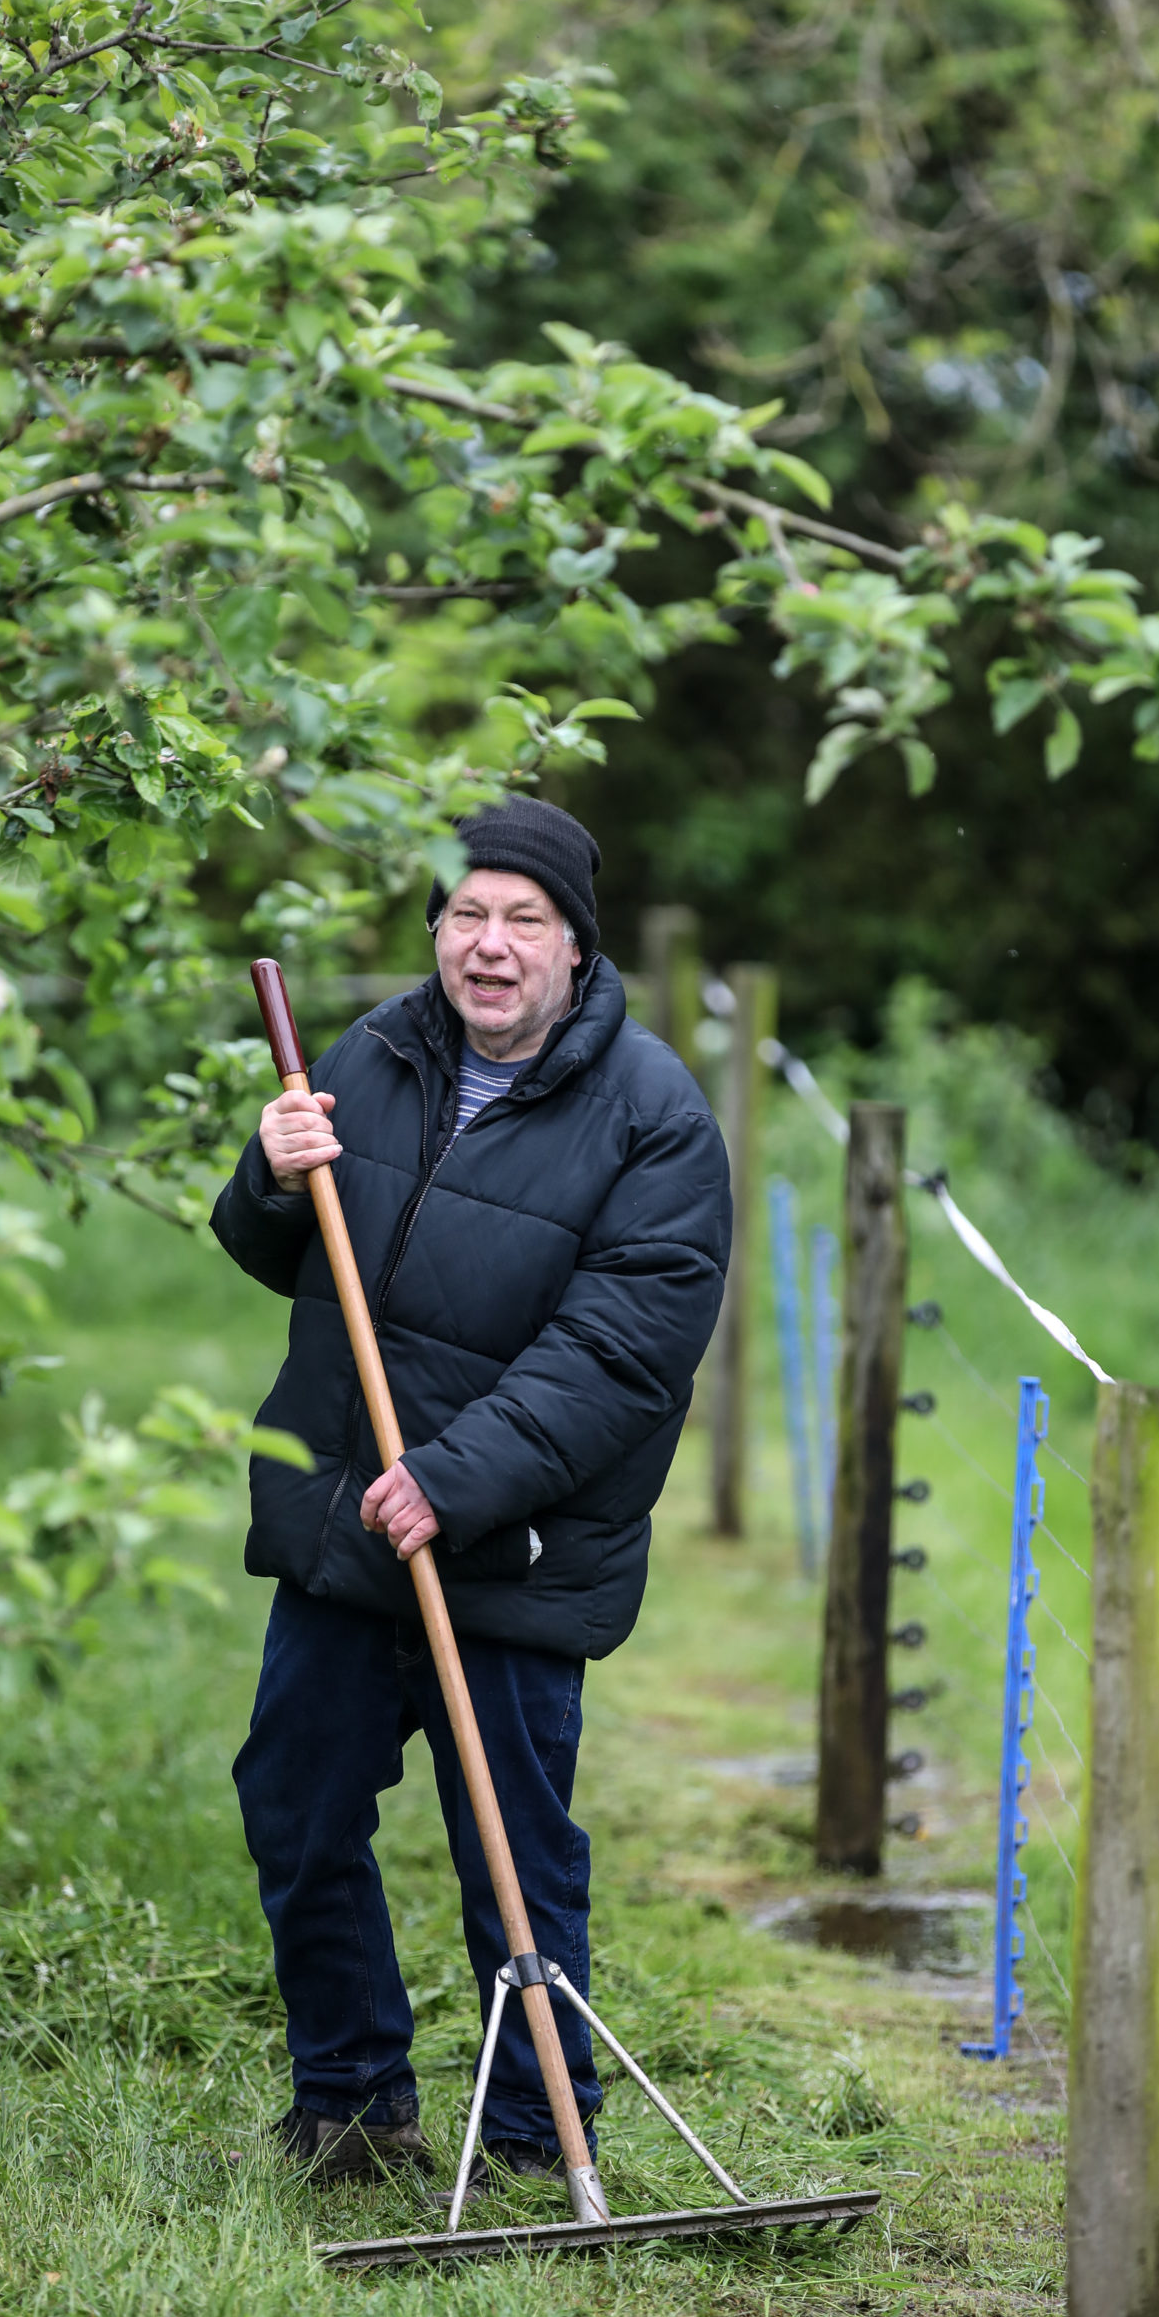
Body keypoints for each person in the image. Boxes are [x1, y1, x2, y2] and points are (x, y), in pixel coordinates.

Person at [213, 793, 731, 2187]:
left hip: (513, 1546)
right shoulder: (373, 1052)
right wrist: (268, 1176)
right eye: (466, 914)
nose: (488, 946)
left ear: (575, 947)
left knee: (514, 1855)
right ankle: (352, 2104)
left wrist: (455, 1478)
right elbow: (280, 1247)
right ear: (436, 926)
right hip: (344, 1522)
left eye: (524, 920)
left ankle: (526, 2136)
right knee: (299, 1809)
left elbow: (625, 1351)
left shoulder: (658, 1122)